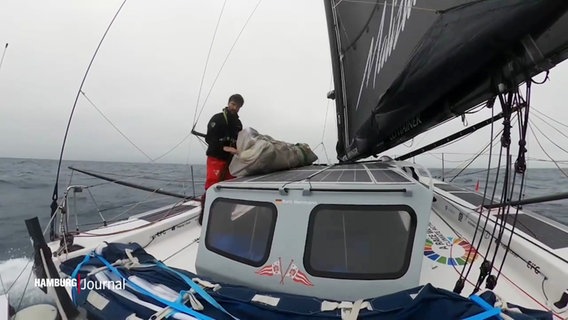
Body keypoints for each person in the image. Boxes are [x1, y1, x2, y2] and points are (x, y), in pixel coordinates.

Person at [199, 93, 244, 224]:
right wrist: (224, 147)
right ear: (229, 103)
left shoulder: (238, 124)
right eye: (233, 104)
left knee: (231, 185)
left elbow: (238, 141)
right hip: (216, 157)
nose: (235, 108)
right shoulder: (217, 119)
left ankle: (226, 215)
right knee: (212, 186)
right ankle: (204, 217)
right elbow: (209, 138)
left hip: (230, 160)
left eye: (238, 106)